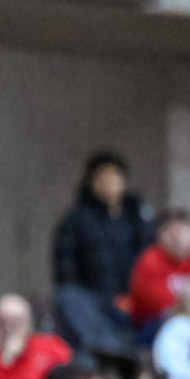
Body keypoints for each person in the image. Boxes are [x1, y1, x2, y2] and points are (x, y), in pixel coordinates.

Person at [52, 151, 153, 361]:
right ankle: (110, 349)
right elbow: (65, 268)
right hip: (92, 298)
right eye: (103, 178)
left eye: (115, 177)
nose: (109, 183)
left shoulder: (138, 217)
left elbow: (148, 260)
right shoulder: (76, 218)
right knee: (68, 297)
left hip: (132, 299)